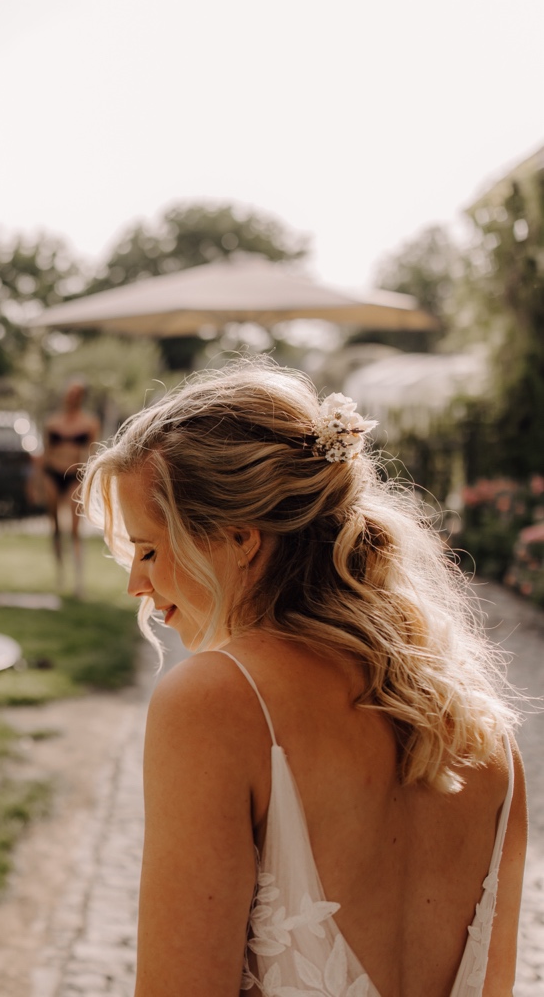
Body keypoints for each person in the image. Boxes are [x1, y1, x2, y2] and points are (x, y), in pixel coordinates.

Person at [80, 361, 525, 994]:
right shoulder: (484, 733)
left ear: (238, 538)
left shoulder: (215, 703)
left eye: (150, 549)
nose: (136, 584)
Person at [31, 380, 100, 598]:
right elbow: (45, 452)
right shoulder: (53, 422)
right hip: (53, 474)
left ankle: (79, 580)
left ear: (82, 397)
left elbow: (92, 454)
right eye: (69, 393)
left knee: (76, 529)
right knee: (55, 528)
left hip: (74, 476)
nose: (71, 397)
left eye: (76, 394)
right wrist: (37, 481)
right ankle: (60, 574)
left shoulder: (89, 423)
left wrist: (90, 483)